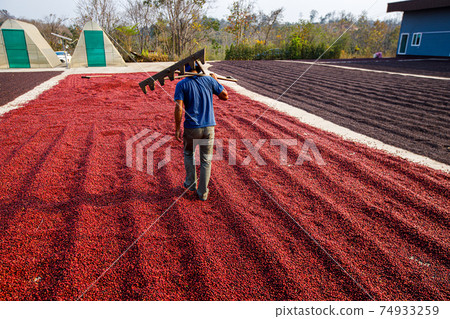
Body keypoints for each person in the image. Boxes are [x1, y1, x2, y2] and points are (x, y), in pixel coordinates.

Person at [174, 63, 229, 201]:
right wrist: (215, 80)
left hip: (191, 127)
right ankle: (203, 193)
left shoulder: (181, 84)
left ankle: (191, 184)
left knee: (188, 153)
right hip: (209, 127)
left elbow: (179, 108)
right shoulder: (209, 80)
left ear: (185, 70)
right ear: (199, 68)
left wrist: (177, 128)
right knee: (206, 160)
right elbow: (225, 96)